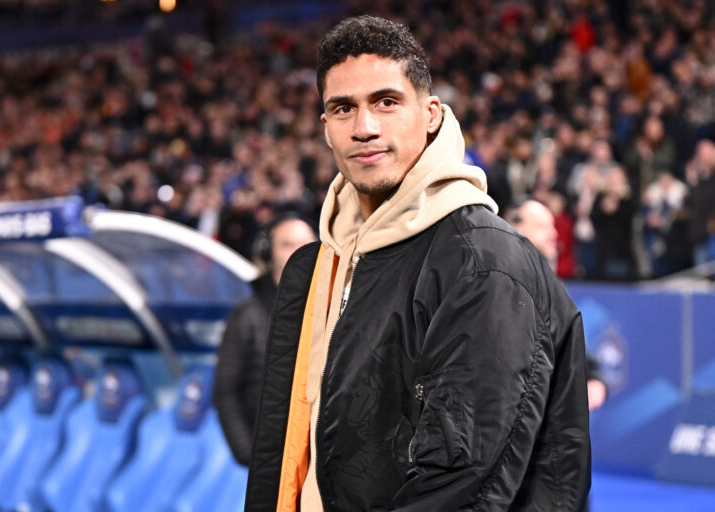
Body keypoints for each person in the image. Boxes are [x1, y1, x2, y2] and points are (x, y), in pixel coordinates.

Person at [246, 16, 591, 511]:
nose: (364, 128)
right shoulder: (316, 265)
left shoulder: (482, 262)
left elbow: (463, 484)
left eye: (386, 102)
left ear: (431, 114)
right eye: (343, 108)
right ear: (325, 128)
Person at [213, 212, 317, 466]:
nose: (298, 251)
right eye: (287, 244)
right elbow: (226, 390)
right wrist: (248, 453)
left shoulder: (333, 306)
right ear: (268, 252)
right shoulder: (247, 314)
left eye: (305, 244)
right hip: (268, 460)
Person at [507, 199, 607, 411]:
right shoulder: (500, 282)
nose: (553, 233)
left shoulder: (552, 285)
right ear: (515, 227)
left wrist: (593, 376)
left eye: (552, 226)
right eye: (543, 226)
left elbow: (570, 337)